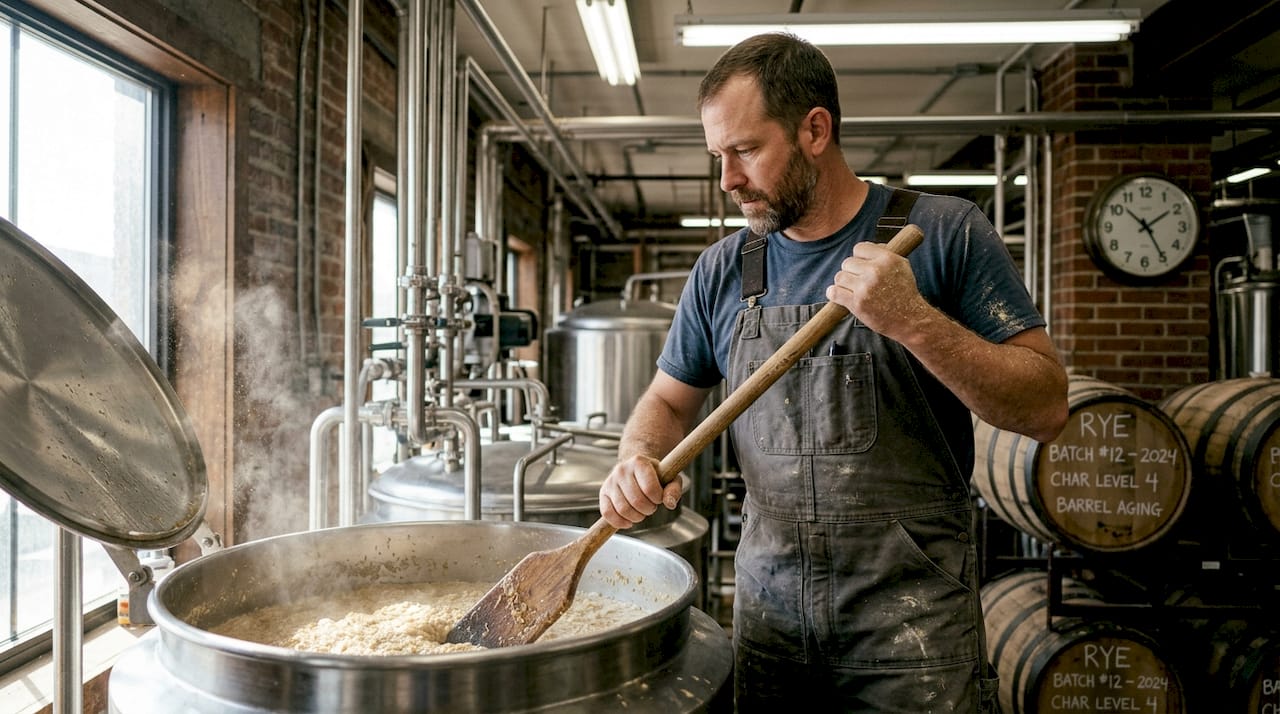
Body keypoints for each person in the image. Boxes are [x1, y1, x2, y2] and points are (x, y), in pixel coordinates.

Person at [597, 32, 1069, 713]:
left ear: (815, 129)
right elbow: (668, 401)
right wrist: (637, 454)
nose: (727, 179)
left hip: (912, 627)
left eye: (746, 150)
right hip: (771, 622)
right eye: (718, 157)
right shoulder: (725, 269)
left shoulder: (945, 232)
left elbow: (1046, 405)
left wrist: (914, 320)